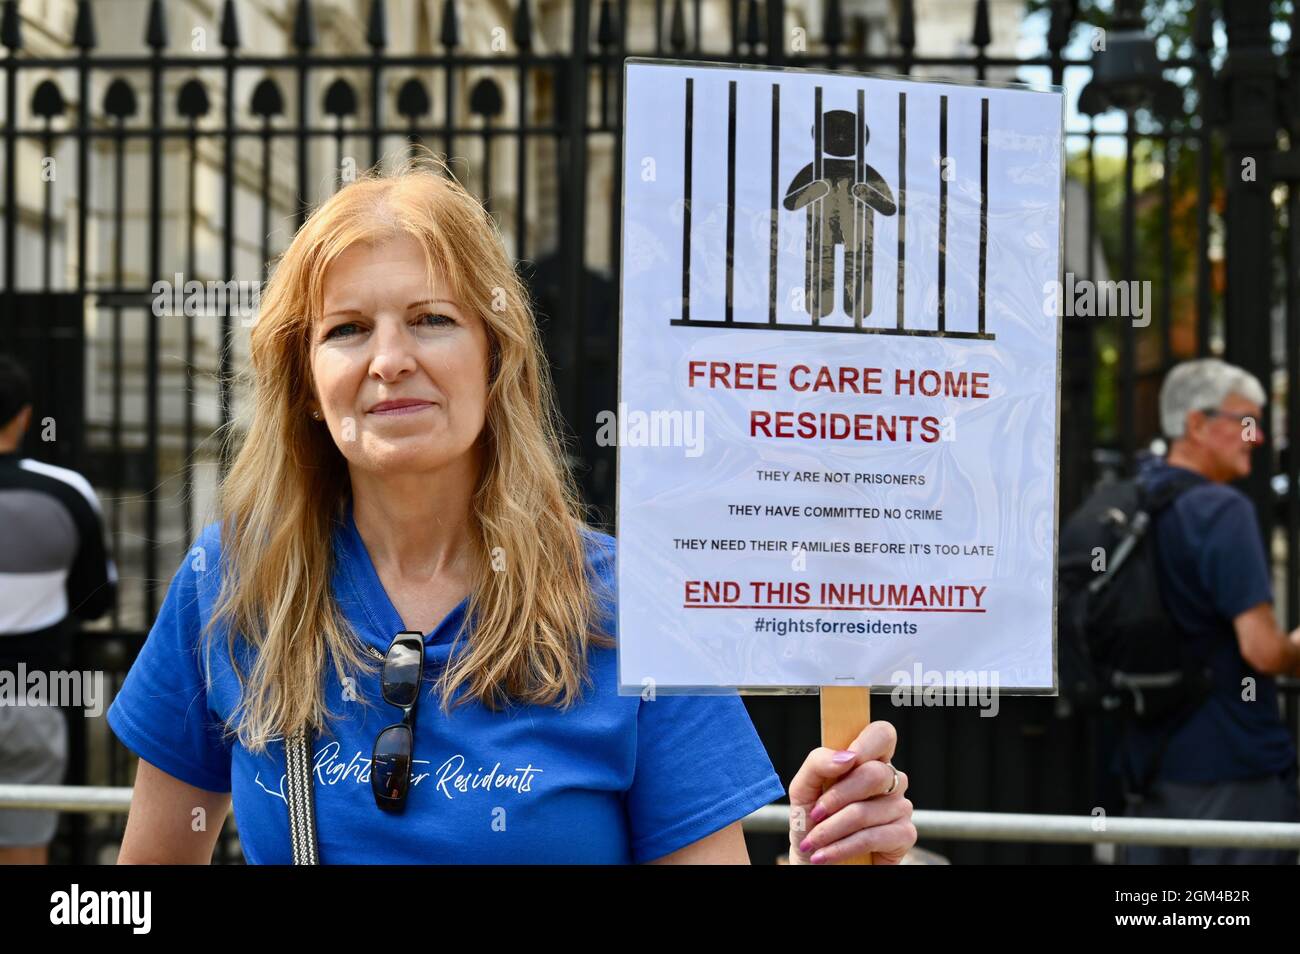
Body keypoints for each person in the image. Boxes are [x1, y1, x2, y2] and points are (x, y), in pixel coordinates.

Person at [107, 154, 917, 864]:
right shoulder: (232, 579)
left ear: (496, 359)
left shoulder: (639, 607)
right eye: (348, 329)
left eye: (432, 319)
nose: (391, 360)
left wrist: (826, 856)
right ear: (307, 385)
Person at [1117, 358, 1300, 864]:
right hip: (1234, 771)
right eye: (1245, 421)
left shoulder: (1130, 503)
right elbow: (1262, 651)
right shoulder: (1223, 510)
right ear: (1196, 424)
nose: (1256, 437)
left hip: (1149, 767)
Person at [0, 354, 116, 864]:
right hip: (32, 694)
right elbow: (98, 599)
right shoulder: (67, 492)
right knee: (24, 847)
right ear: (24, 417)